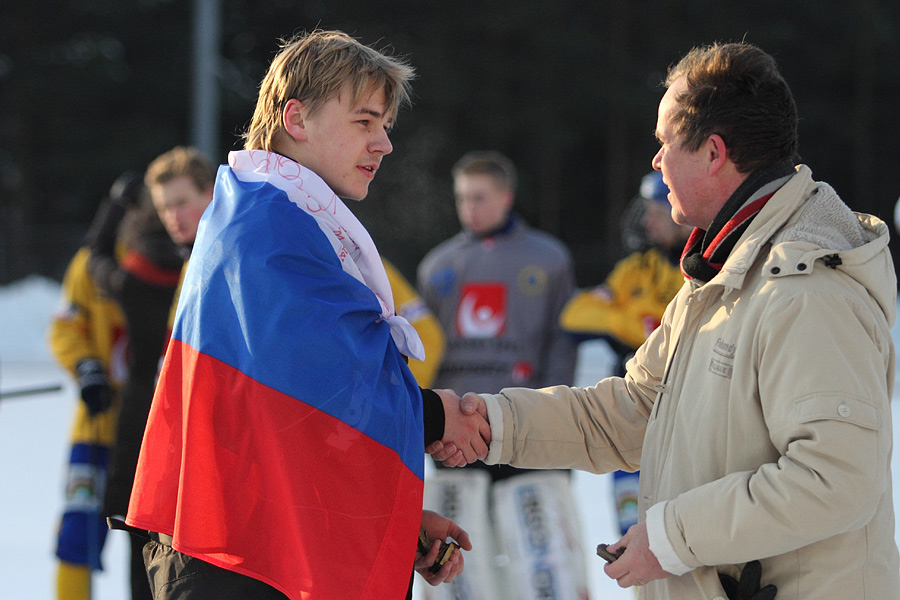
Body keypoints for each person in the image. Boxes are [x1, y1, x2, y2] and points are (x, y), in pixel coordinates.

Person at [439, 42, 900, 599]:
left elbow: (836, 479)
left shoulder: (805, 288)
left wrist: (671, 538)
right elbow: (634, 412)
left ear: (713, 153)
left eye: (663, 143)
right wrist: (493, 423)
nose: (655, 162)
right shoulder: (721, 274)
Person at [122, 30, 488, 600]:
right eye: (365, 122)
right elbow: (325, 385)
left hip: (245, 551)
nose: (384, 143)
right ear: (296, 119)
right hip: (235, 565)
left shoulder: (266, 211)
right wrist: (436, 416)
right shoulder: (268, 228)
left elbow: (281, 433)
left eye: (385, 125)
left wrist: (389, 520)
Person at [417, 151, 586, 600]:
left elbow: (560, 343)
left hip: (525, 428)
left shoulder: (549, 259)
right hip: (455, 437)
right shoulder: (438, 266)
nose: (469, 208)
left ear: (507, 197)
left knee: (541, 557)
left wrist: (555, 417)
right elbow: (422, 349)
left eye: (479, 197)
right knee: (459, 566)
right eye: (461, 198)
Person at [86, 147, 216, 600]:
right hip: (152, 432)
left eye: (181, 202)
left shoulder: (225, 261)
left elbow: (95, 258)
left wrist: (115, 205)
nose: (172, 216)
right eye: (163, 207)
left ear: (211, 194)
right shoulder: (159, 271)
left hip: (201, 442)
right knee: (146, 557)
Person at [559, 171, 690, 542]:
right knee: (631, 530)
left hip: (684, 411)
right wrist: (633, 322)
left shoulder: (705, 267)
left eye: (657, 212)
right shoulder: (637, 269)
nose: (648, 221)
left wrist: (647, 326)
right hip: (633, 413)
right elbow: (575, 315)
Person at [49, 190, 129, 600]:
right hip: (95, 430)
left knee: (160, 550)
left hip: (155, 435)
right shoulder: (89, 265)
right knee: (76, 537)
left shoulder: (181, 262)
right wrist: (85, 365)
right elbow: (65, 326)